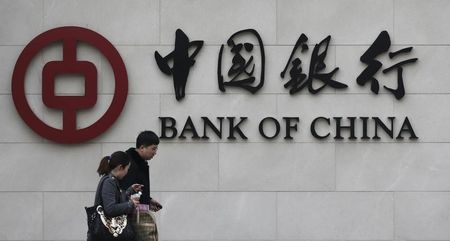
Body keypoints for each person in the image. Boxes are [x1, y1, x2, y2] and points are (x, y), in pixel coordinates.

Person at [88, 151, 143, 241]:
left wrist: (130, 191)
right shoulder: (109, 182)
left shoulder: (111, 180)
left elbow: (115, 198)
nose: (127, 172)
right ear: (121, 167)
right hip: (105, 234)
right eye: (127, 169)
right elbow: (110, 209)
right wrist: (130, 204)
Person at [119, 130, 162, 241]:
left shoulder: (139, 162)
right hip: (135, 216)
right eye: (153, 148)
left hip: (138, 214)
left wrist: (148, 199)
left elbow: (136, 189)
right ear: (142, 147)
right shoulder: (130, 164)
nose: (155, 152)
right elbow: (126, 191)